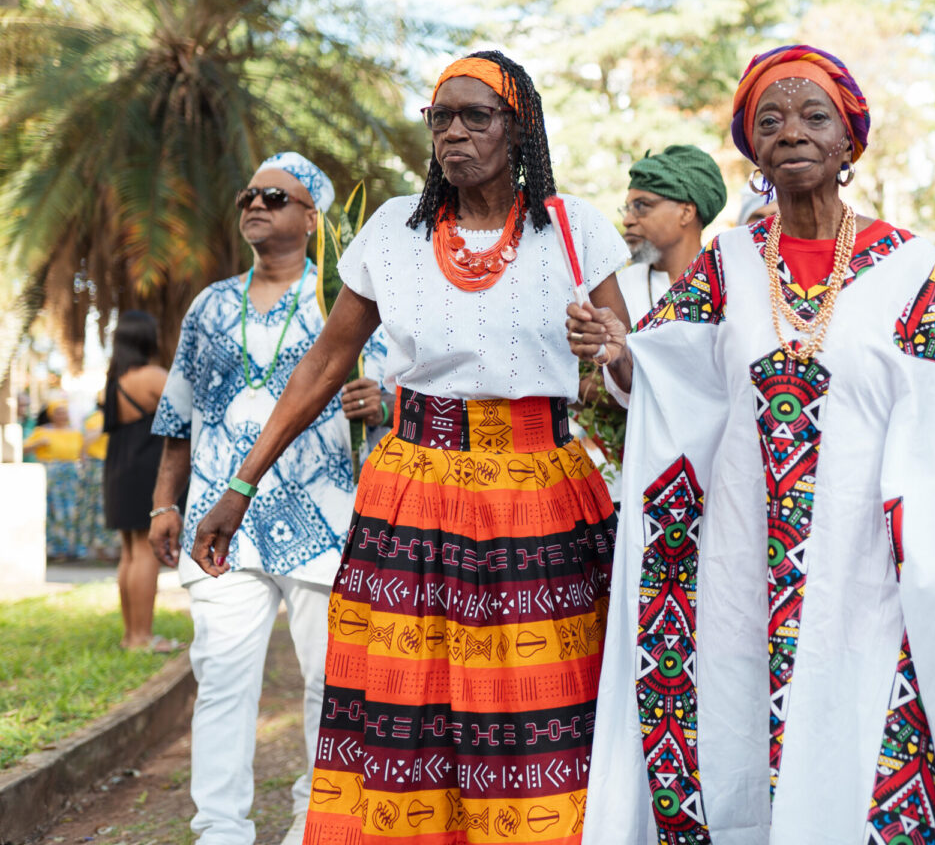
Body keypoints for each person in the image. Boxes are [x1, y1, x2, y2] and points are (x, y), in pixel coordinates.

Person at [573, 44, 935, 842]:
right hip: (741, 559)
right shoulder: (727, 263)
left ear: (849, 143)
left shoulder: (907, 265)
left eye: (813, 116)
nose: (791, 131)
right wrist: (617, 349)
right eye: (770, 120)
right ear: (752, 150)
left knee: (864, 733)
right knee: (738, 733)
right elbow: (668, 373)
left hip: (866, 559)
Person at [189, 50, 630, 844]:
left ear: (518, 125)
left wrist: (609, 347)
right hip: (412, 496)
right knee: (410, 715)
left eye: (476, 117)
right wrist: (240, 486)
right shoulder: (395, 230)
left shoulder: (574, 230)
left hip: (540, 496)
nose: (454, 133)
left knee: (537, 713)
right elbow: (323, 364)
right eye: (440, 119)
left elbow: (633, 363)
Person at [149, 152, 387, 845]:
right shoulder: (209, 304)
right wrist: (167, 503)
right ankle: (220, 830)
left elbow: (400, 385)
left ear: (314, 218)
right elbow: (177, 413)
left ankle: (312, 824)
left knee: (327, 684)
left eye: (276, 198)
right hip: (221, 524)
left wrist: (387, 401)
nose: (255, 204)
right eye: (249, 195)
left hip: (326, 517)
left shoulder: (344, 301)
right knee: (222, 679)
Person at [102, 309, 177, 651]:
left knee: (130, 553)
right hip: (145, 470)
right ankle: (144, 638)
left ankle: (131, 635)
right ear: (147, 338)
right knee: (146, 554)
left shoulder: (112, 383)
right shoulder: (153, 377)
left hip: (117, 470)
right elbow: (187, 410)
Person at [617, 144, 728, 322]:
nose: (627, 220)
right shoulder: (621, 288)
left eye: (641, 206)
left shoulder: (731, 280)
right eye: (627, 208)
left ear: (686, 213)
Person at [25, 393, 90, 559]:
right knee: (54, 510)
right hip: (52, 475)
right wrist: (37, 444)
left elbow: (82, 454)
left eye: (64, 412)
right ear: (52, 414)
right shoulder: (42, 431)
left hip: (71, 475)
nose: (62, 415)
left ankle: (72, 549)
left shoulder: (75, 433)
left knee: (73, 510)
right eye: (58, 412)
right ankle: (54, 549)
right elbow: (24, 448)